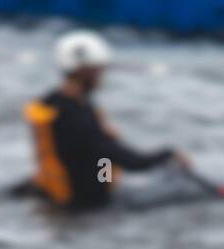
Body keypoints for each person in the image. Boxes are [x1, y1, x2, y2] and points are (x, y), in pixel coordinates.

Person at [21, 31, 190, 211]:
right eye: (98, 70)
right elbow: (128, 160)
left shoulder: (54, 102)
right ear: (82, 71)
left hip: (74, 195)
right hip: (84, 206)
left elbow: (104, 160)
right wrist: (167, 155)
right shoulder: (74, 117)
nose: (102, 76)